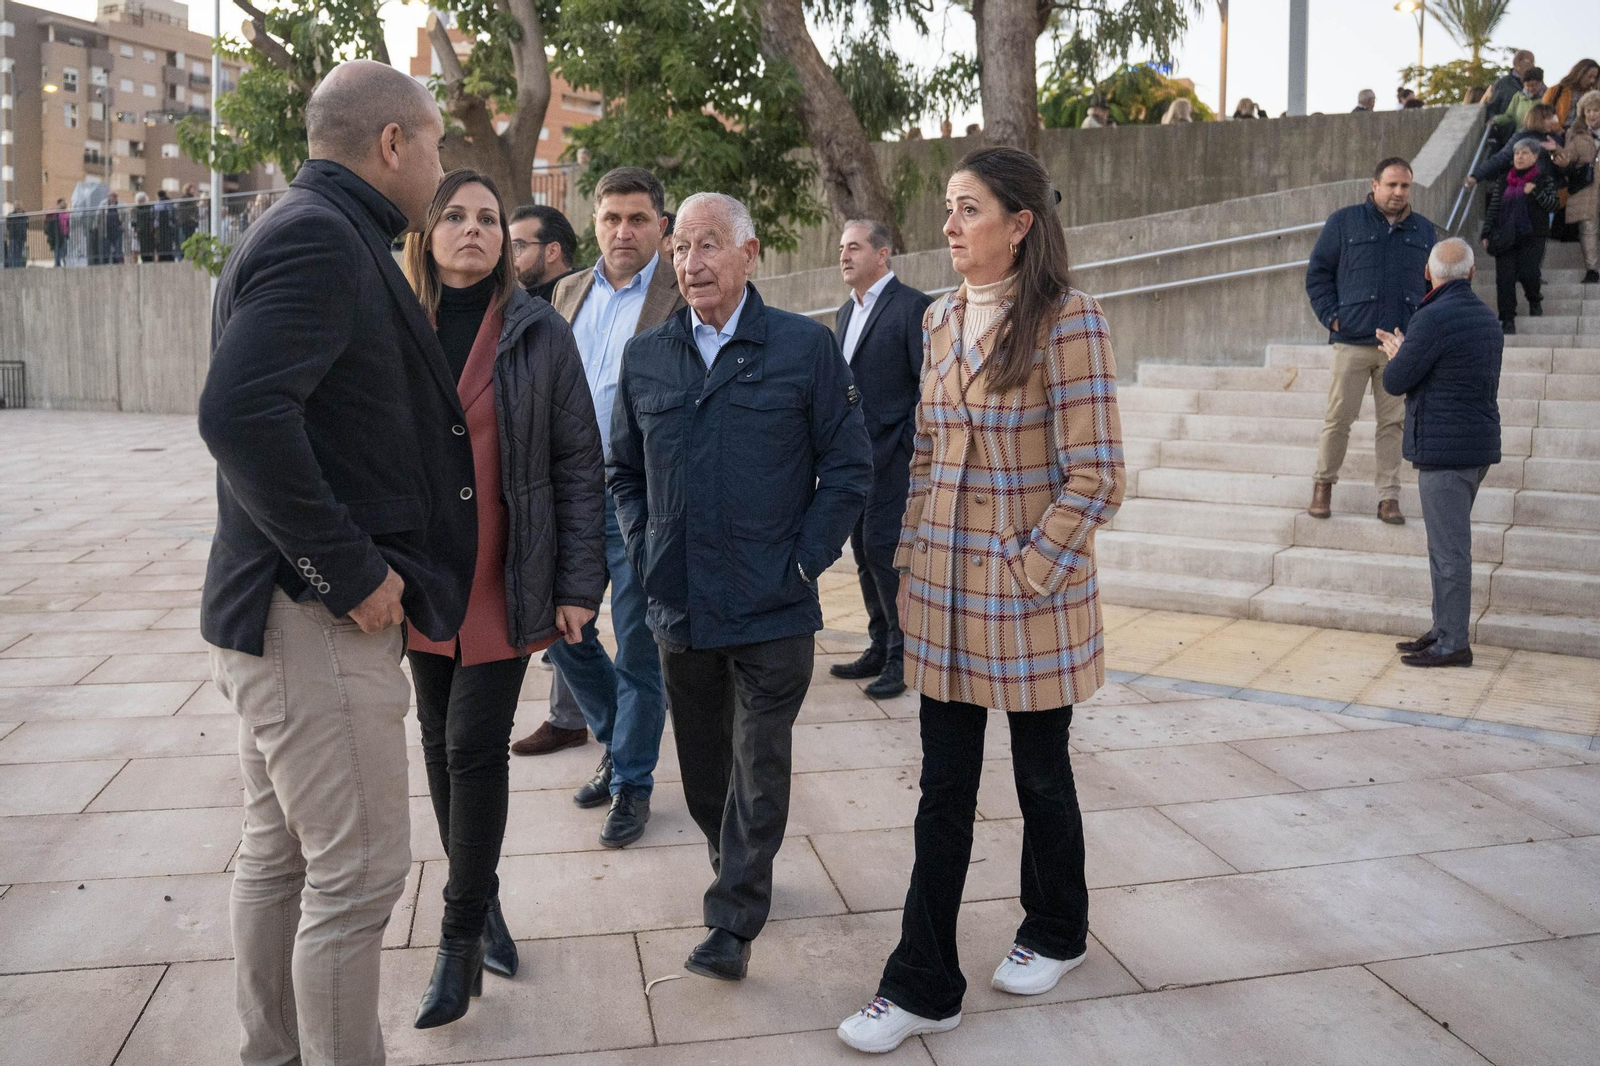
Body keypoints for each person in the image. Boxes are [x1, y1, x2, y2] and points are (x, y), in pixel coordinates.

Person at [197, 59, 468, 1066]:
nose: (440, 168)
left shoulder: (312, 227)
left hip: (269, 620)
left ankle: (271, 1054)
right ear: (392, 142)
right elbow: (239, 415)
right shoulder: (321, 236)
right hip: (309, 621)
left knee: (278, 858)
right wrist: (352, 575)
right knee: (355, 879)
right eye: (435, 144)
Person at [836, 146, 1125, 1054]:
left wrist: (1030, 566)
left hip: (1029, 593)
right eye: (949, 210)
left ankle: (1056, 929)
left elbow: (1099, 474)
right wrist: (911, 552)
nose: (950, 226)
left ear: (1021, 223)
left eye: (968, 209)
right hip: (943, 591)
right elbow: (928, 449)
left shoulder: (1069, 322)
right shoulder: (937, 321)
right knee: (944, 788)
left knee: (1043, 775)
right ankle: (923, 980)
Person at [610, 191, 871, 982]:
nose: (692, 263)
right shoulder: (647, 355)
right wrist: (645, 542)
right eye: (681, 246)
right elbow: (622, 470)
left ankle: (732, 920)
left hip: (772, 606)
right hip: (679, 604)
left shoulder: (804, 349)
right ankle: (737, 859)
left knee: (759, 761)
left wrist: (803, 560)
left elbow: (850, 467)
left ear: (750, 255)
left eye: (710, 245)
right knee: (704, 774)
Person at [400, 169, 606, 1029]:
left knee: (474, 746)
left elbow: (578, 464)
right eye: (456, 215)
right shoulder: (394, 323)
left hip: (503, 572)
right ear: (428, 231)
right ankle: (482, 904)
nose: (475, 230)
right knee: (439, 746)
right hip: (416, 578)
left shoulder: (536, 332)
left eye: (489, 218)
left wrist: (576, 584)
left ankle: (455, 945)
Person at [507, 168, 684, 850]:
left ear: (661, 228)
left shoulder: (679, 295)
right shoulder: (567, 291)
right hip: (566, 491)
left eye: (638, 219)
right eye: (611, 218)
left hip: (641, 496)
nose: (623, 231)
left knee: (641, 644)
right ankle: (618, 742)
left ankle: (632, 783)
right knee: (555, 630)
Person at [1378, 238, 1501, 668]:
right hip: (1473, 446)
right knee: (1444, 547)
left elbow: (1396, 382)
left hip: (1446, 451)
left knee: (1449, 552)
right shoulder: (1487, 318)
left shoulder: (1432, 318)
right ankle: (1442, 629)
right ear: (1471, 273)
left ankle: (1453, 643)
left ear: (1429, 274)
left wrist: (1397, 353)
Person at [830, 219, 932, 700]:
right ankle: (878, 643)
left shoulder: (913, 307)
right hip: (854, 459)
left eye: (854, 247)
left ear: (882, 254)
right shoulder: (844, 314)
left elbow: (927, 389)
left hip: (896, 458)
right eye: (842, 248)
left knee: (885, 553)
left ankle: (903, 656)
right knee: (862, 551)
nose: (844, 256)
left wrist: (910, 447)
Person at [1304, 157, 1436, 526]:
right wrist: (1333, 316)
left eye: (1405, 186)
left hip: (1398, 347)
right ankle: (1323, 486)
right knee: (1338, 419)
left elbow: (1433, 287)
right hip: (1352, 341)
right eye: (1391, 185)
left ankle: (1388, 497)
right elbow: (1318, 274)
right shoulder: (1343, 222)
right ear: (1374, 185)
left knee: (1393, 423)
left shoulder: (1424, 231)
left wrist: (1420, 332)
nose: (1398, 192)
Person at [1481, 138, 1560, 334]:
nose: (1519, 157)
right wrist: (1486, 232)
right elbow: (1494, 207)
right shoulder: (1503, 180)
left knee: (1528, 272)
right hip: (1505, 235)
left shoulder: (1543, 179)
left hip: (1533, 235)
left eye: (1524, 153)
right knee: (1505, 279)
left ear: (1535, 156)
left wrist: (1536, 192)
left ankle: (1534, 299)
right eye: (1517, 153)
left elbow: (1554, 205)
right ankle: (1507, 319)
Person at [1564, 90, 1600, 284]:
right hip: (1587, 187)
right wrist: (1559, 157)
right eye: (1588, 111)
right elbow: (1568, 159)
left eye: (1596, 110)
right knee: (1588, 227)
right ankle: (1592, 269)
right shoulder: (1575, 133)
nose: (1592, 115)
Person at [509, 203, 580, 302]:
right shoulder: (512, 302)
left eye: (519, 246)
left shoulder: (584, 302)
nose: (510, 256)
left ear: (552, 252)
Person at [1489, 66, 1546, 151]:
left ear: (1541, 83)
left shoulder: (1547, 98)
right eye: (1528, 85)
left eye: (1535, 85)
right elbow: (1509, 115)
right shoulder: (1518, 97)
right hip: (1521, 136)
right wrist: (1495, 120)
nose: (1531, 88)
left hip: (1539, 138)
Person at [1543, 58, 1599, 130]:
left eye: (1595, 77)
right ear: (1580, 73)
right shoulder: (1556, 90)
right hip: (1557, 133)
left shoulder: (1592, 96)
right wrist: (1557, 128)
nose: (1592, 81)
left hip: (1581, 133)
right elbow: (1542, 114)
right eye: (1590, 76)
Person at [1486, 50, 1536, 125]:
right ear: (1517, 63)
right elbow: (1492, 108)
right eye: (1530, 61)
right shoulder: (1502, 84)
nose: (1533, 65)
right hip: (1506, 132)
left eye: (1533, 62)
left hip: (1531, 130)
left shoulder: (1538, 85)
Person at [45, 199, 68, 267]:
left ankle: (63, 261)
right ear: (58, 205)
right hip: (57, 235)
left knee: (64, 250)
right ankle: (57, 263)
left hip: (65, 234)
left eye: (64, 203)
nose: (64, 205)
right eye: (62, 203)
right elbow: (49, 226)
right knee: (58, 249)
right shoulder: (55, 215)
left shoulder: (66, 213)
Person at [134, 192, 156, 263]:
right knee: (143, 247)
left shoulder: (149, 207)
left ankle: (150, 259)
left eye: (143, 200)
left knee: (150, 247)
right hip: (141, 232)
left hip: (149, 231)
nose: (142, 201)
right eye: (140, 200)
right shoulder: (136, 209)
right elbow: (135, 220)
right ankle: (144, 259)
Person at [103, 193, 125, 265]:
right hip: (107, 230)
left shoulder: (120, 205)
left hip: (117, 229)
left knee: (118, 246)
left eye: (116, 197)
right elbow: (99, 214)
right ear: (109, 197)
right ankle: (106, 262)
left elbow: (125, 214)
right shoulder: (104, 205)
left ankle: (116, 261)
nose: (114, 198)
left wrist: (123, 225)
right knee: (107, 247)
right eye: (113, 196)